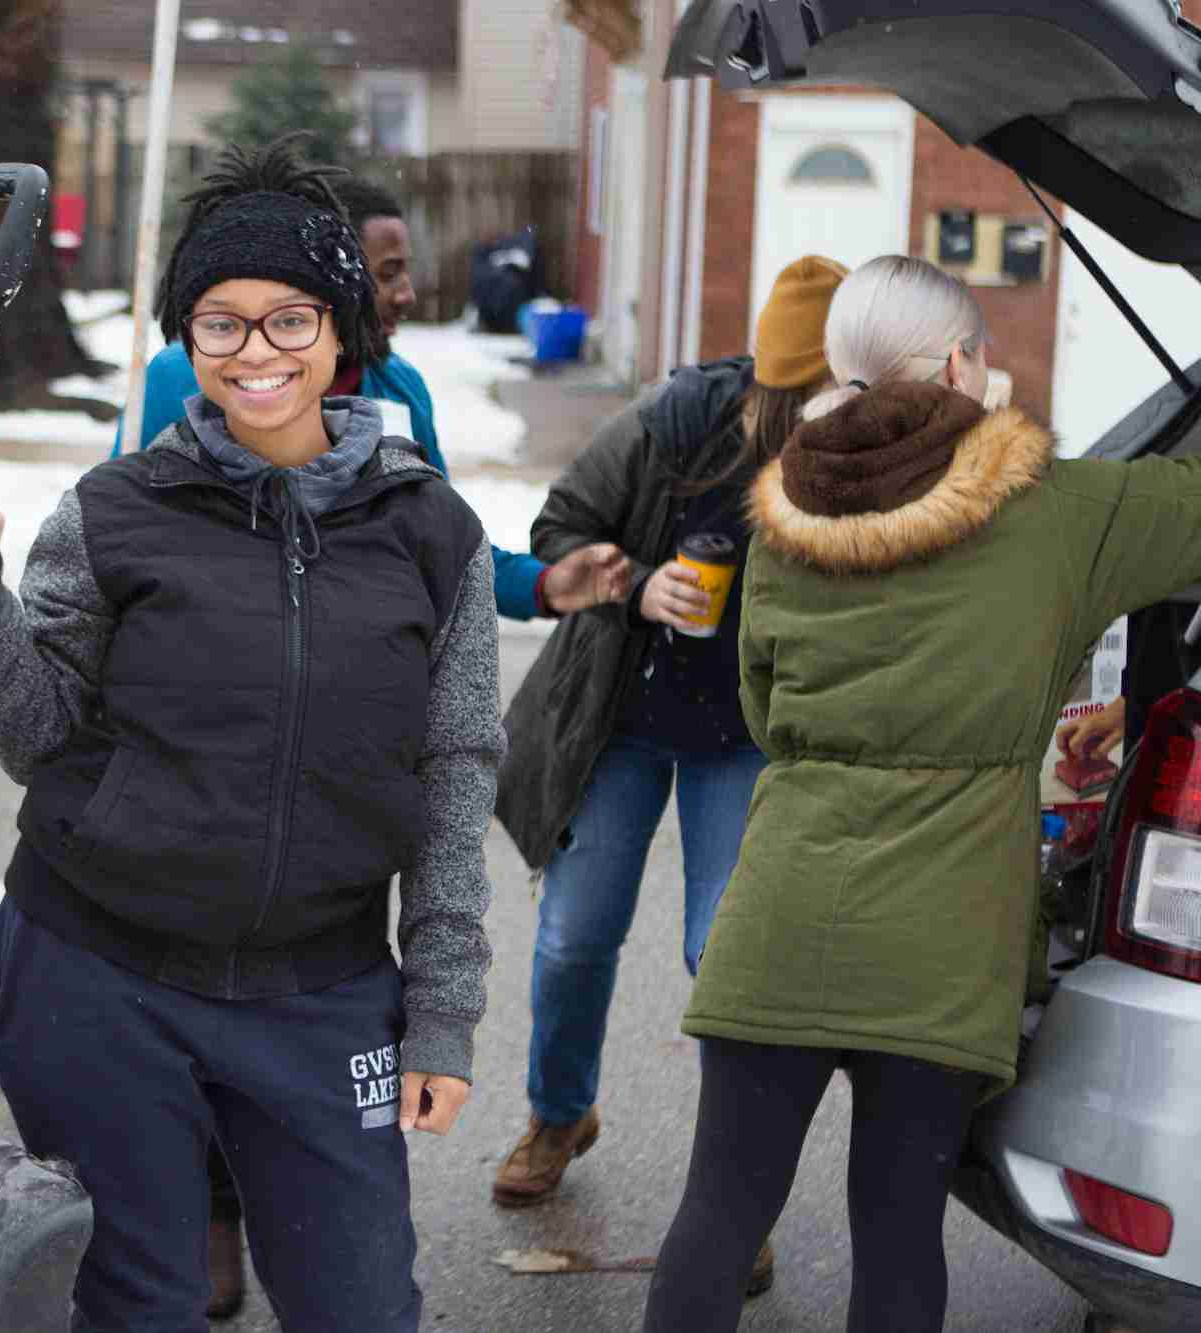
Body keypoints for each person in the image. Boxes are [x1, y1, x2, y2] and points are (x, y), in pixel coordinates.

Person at [0, 138, 546, 1331]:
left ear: (340, 330)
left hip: (321, 987)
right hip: (98, 971)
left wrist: (442, 1008)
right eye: (220, 323)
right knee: (138, 1302)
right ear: (184, 341)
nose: (256, 353)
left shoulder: (429, 532)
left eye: (288, 319)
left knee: (359, 1305)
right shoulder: (114, 512)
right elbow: (36, 733)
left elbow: (455, 776)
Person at [642, 254, 1201, 1332]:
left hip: (780, 920)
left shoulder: (781, 523)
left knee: (713, 1217)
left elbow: (762, 710)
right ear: (957, 361)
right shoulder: (1055, 511)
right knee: (895, 1235)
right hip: (942, 943)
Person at [488, 257, 847, 1301]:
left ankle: (732, 1201)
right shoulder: (677, 420)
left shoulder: (851, 460)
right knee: (572, 934)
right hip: (625, 721)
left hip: (745, 737)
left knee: (722, 959)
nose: (820, 416)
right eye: (807, 397)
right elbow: (556, 526)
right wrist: (640, 589)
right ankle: (559, 1113)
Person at [114, 166, 619, 628]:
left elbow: (442, 544)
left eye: (405, 271)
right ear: (338, 277)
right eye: (387, 273)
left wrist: (543, 584)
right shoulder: (189, 377)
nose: (407, 294)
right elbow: (121, 533)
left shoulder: (400, 391)